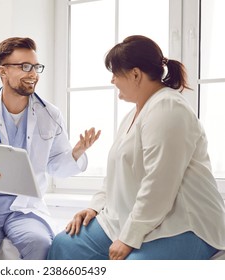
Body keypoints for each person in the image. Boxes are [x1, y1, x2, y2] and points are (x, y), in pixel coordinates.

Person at [47, 35, 225, 260]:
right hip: (130, 219)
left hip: (184, 225)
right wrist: (95, 207)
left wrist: (129, 237)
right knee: (65, 244)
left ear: (135, 74)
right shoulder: (134, 114)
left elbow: (159, 185)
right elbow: (115, 176)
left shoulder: (169, 109)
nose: (112, 80)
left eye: (115, 73)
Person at [0, 37, 101, 260]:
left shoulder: (50, 114)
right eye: (25, 67)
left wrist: (75, 154)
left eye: (36, 67)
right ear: (3, 72)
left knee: (40, 244)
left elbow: (56, 166)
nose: (33, 74)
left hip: (24, 210)